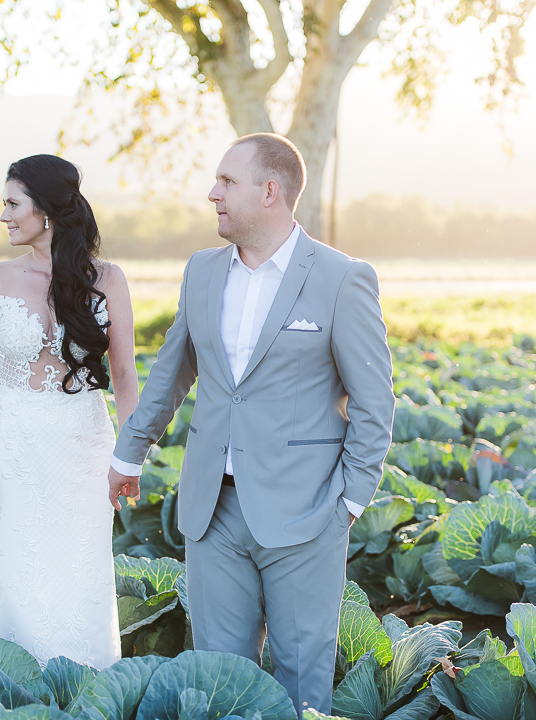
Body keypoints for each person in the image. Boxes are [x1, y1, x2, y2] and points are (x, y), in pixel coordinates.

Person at [107, 133, 395, 714]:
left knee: (301, 678)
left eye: (226, 181)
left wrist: (350, 501)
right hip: (211, 509)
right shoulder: (202, 271)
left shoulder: (342, 278)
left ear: (270, 191)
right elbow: (172, 372)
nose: (212, 193)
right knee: (220, 682)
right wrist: (128, 453)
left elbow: (374, 401)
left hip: (308, 510)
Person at [0, 154, 138, 669]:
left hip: (85, 445)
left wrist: (131, 457)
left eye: (13, 204)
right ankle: (15, 682)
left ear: (46, 209)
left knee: (82, 570)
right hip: (15, 445)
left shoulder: (109, 278)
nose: (4, 216)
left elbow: (125, 375)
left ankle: (83, 682)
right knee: (20, 567)